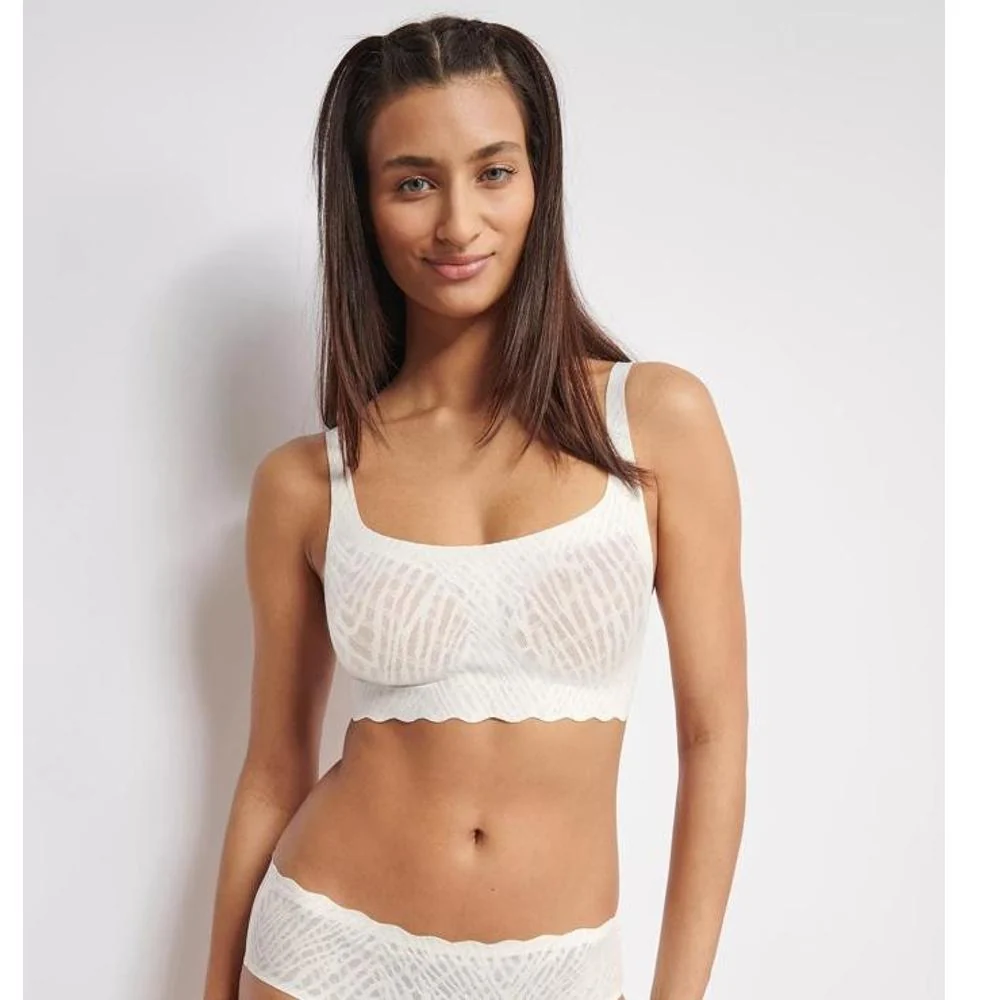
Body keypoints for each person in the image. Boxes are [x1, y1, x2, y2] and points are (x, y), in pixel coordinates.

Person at [202, 14, 747, 1000]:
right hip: (323, 948)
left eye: (493, 172)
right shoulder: (305, 484)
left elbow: (714, 741)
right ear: (363, 205)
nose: (458, 224)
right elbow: (273, 771)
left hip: (556, 969)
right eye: (413, 183)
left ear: (540, 180)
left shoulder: (656, 421)